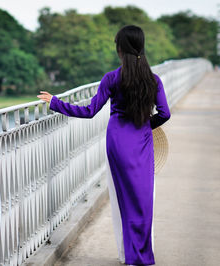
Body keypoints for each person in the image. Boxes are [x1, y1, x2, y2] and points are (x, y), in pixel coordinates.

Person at [37, 25, 171, 266]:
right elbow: (165, 113)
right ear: (141, 47)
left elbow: (89, 111)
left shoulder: (112, 78)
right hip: (142, 141)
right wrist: (145, 126)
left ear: (120, 49)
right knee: (143, 197)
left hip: (118, 141)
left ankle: (127, 255)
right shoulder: (153, 80)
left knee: (123, 198)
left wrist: (55, 102)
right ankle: (141, 255)